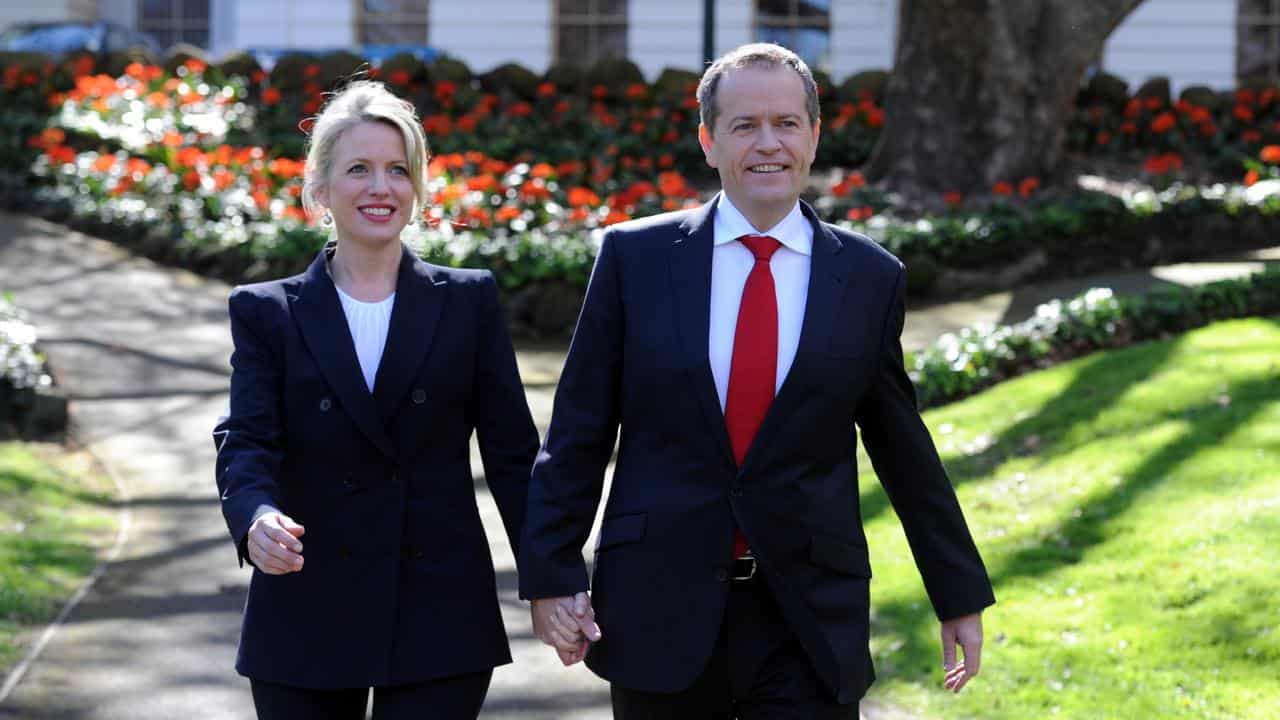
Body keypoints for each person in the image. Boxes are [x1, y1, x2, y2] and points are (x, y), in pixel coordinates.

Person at [518, 43, 995, 717]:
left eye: (786, 123)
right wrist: (552, 573)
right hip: (659, 606)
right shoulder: (636, 260)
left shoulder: (868, 278)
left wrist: (956, 593)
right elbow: (577, 433)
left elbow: (902, 448)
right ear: (709, 142)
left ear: (814, 135)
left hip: (807, 615)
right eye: (744, 126)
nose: (767, 144)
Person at [212, 80, 538, 719]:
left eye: (397, 170)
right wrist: (254, 517)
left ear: (416, 189)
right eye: (358, 169)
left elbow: (512, 454)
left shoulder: (468, 300)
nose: (380, 187)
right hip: (304, 602)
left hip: (440, 605)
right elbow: (248, 438)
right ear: (321, 188)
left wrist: (552, 578)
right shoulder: (264, 311)